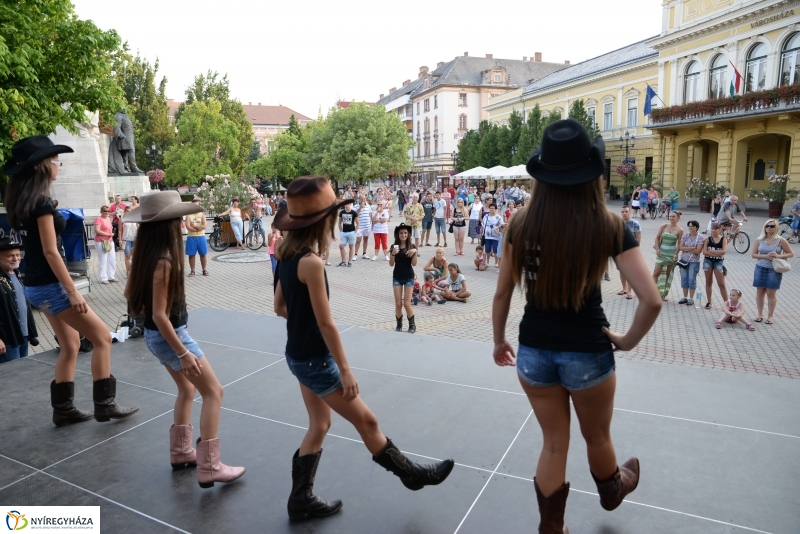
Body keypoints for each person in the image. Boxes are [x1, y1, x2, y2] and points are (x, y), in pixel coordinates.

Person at [492, 120, 661, 532]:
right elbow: (652, 300)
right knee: (598, 437)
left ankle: (552, 528)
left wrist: (499, 341)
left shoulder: (520, 222)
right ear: (592, 174)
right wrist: (627, 340)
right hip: (588, 351)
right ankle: (612, 490)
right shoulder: (608, 225)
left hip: (532, 351)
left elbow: (501, 294)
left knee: (553, 443)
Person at [272, 178, 453, 520]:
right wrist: (345, 368)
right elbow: (327, 325)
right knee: (368, 421)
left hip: (296, 355)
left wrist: (301, 318)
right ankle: (412, 476)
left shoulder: (287, 255)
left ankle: (300, 499)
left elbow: (279, 306)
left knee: (319, 425)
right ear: (322, 221)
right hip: (314, 359)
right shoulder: (311, 262)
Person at [3, 135, 138, 427]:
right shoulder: (39, 203)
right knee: (102, 338)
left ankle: (63, 409)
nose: (59, 167)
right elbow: (51, 252)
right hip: (52, 286)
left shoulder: (21, 202)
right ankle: (105, 405)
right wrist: (72, 292)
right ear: (42, 166)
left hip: (36, 287)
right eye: (56, 162)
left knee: (70, 344)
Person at [126, 191, 245, 488]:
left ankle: (181, 452)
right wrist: (182, 352)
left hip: (156, 336)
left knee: (186, 389)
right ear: (167, 225)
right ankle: (210, 466)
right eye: (177, 219)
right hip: (171, 337)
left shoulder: (145, 256)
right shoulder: (164, 261)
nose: (181, 224)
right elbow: (160, 315)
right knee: (214, 392)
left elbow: (136, 300)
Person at [0, 238, 39, 363]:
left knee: (22, 373)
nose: (16, 258)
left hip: (23, 335)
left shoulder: (17, 275)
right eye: (10, 256)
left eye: (17, 255)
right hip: (7, 339)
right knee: (11, 377)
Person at [751, 219, 794, 324]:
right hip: (760, 267)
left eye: (772, 226)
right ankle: (760, 314)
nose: (769, 228)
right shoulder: (759, 239)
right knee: (760, 291)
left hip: (774, 269)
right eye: (767, 226)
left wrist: (778, 255)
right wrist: (765, 256)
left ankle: (770, 316)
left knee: (771, 293)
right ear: (764, 227)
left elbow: (791, 253)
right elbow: (753, 255)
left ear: (776, 228)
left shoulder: (781, 240)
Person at [389, 223, 418, 333]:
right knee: (398, 304)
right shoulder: (394, 246)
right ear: (398, 234)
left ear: (408, 234)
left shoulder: (412, 247)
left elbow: (414, 264)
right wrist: (392, 254)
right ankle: (399, 325)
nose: (403, 235)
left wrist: (415, 252)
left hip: (408, 277)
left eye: (405, 233)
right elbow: (391, 264)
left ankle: (412, 325)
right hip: (397, 276)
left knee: (406, 303)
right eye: (401, 233)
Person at [652, 211, 684, 301]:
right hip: (661, 253)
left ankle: (663, 294)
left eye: (673, 217)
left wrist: (676, 255)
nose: (671, 218)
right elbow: (657, 238)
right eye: (670, 216)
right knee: (656, 273)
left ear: (678, 218)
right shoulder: (664, 226)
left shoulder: (680, 230)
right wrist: (657, 249)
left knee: (667, 274)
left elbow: (679, 244)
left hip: (671, 254)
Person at [677, 220, 704, 306]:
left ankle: (691, 298)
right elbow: (681, 247)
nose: (690, 227)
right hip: (684, 260)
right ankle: (685, 297)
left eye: (692, 226)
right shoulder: (685, 235)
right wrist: (692, 247)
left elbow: (698, 251)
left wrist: (687, 248)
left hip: (694, 261)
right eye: (689, 226)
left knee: (691, 279)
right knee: (684, 278)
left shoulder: (700, 237)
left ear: (696, 227)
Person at [617, 206, 642, 300]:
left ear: (630, 212)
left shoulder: (635, 223)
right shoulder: (618, 223)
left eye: (626, 211)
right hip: (619, 250)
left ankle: (629, 291)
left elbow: (638, 237)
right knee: (621, 270)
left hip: (630, 250)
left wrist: (637, 249)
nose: (624, 213)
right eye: (622, 211)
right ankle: (624, 288)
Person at [702, 222, 728, 309]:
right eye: (712, 228)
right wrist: (717, 253)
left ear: (720, 229)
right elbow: (705, 252)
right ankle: (709, 302)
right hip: (708, 261)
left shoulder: (723, 239)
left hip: (718, 262)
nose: (713, 230)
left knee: (721, 284)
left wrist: (711, 252)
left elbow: (724, 252)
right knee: (708, 282)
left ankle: (727, 303)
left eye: (715, 228)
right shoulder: (707, 239)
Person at [184, 199, 208, 277]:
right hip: (191, 237)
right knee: (191, 255)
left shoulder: (202, 215)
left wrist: (194, 226)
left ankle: (204, 270)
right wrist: (198, 228)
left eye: (197, 205)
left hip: (201, 237)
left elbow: (204, 226)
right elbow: (188, 227)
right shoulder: (188, 215)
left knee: (203, 254)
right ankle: (192, 271)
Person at [94, 205, 117, 284]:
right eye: (105, 211)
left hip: (110, 241)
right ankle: (104, 278)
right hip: (101, 241)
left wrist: (110, 234)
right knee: (103, 260)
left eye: (108, 211)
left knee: (112, 259)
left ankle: (111, 276)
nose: (106, 212)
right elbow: (97, 230)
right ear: (101, 212)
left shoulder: (108, 218)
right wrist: (108, 234)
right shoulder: (98, 219)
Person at [337, 202, 358, 267]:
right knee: (341, 246)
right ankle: (343, 261)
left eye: (348, 204)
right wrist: (340, 230)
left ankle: (350, 261)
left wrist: (355, 231)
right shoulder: (342, 212)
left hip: (351, 232)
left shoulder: (353, 213)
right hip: (344, 232)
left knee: (351, 246)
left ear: (350, 205)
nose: (347, 206)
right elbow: (339, 222)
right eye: (346, 204)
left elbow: (358, 223)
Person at [120, 205, 139, 275]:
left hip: (135, 239)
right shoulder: (122, 219)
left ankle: (133, 271)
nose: (129, 212)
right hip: (126, 239)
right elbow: (120, 230)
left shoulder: (135, 219)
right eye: (127, 211)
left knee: (135, 256)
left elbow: (138, 227)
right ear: (125, 212)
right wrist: (120, 240)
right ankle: (128, 271)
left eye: (130, 211)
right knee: (127, 255)